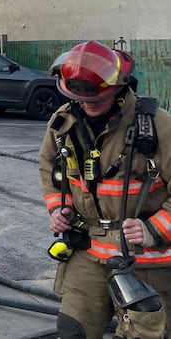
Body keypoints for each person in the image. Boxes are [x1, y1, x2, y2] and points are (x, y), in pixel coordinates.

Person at [39, 40, 171, 338]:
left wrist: (153, 229)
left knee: (145, 333)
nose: (88, 104)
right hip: (87, 251)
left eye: (97, 97)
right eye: (79, 97)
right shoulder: (63, 123)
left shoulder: (157, 126)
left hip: (146, 259)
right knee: (73, 330)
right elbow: (50, 170)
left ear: (118, 88)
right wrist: (58, 208)